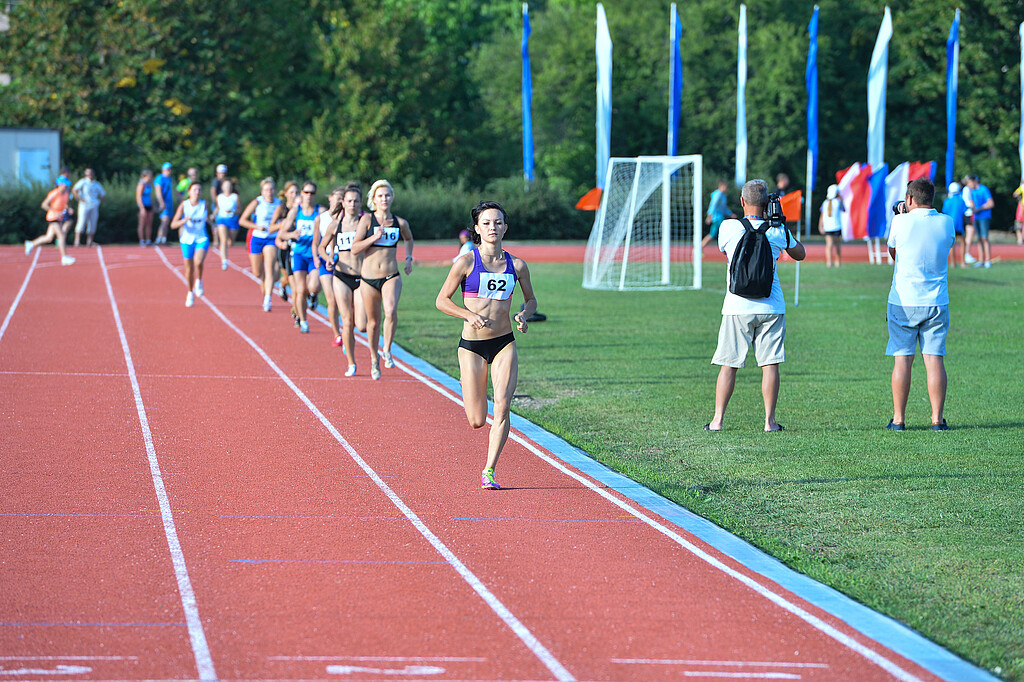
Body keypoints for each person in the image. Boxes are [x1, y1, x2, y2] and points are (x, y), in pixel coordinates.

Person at [435, 201, 538, 490]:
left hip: (504, 342)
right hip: (472, 345)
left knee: (503, 406)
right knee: (477, 420)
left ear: (505, 227)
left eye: (497, 222)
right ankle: (472, 394)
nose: (492, 227)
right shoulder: (467, 262)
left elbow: (531, 300)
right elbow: (441, 300)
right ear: (477, 229)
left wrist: (523, 314)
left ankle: (489, 470)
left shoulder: (517, 265)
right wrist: (468, 314)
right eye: (487, 223)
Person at [704, 179, 806, 432]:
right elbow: (800, 254)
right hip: (771, 306)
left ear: (742, 202)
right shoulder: (777, 229)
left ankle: (717, 420)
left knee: (729, 364)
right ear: (767, 204)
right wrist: (780, 223)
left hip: (737, 306)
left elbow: (723, 252)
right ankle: (769, 422)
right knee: (770, 364)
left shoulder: (728, 227)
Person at [885, 178, 955, 431]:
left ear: (910, 199)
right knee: (934, 359)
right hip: (936, 299)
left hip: (903, 300)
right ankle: (937, 418)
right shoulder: (947, 222)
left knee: (902, 360)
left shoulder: (899, 221)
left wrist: (901, 216)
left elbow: (894, 254)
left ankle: (899, 419)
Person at [352, 179, 414, 380]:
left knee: (391, 311)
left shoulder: (399, 222)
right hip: (368, 278)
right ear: (374, 199)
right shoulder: (367, 220)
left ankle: (387, 349)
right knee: (372, 322)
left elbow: (409, 238)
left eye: (387, 195)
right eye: (380, 196)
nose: (384, 199)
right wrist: (373, 237)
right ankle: (373, 358)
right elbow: (355, 248)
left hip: (391, 275)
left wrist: (409, 257)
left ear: (392, 198)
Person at [322, 183, 367, 372]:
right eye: (349, 201)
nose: (353, 204)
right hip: (341, 275)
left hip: (363, 277)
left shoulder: (366, 224)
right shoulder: (336, 225)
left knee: (362, 325)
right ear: (343, 203)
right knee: (347, 321)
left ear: (360, 203)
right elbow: (320, 247)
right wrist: (327, 259)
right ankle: (351, 362)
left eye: (356, 201)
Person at [276, 181, 325, 334]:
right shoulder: (295, 211)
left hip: (315, 255)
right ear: (301, 194)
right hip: (298, 254)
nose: (308, 196)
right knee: (300, 289)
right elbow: (282, 234)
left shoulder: (320, 211)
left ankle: (314, 296)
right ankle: (303, 320)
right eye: (306, 192)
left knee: (314, 286)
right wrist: (292, 234)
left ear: (315, 195)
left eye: (311, 193)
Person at [238, 177, 281, 312]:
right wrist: (256, 226)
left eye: (271, 189)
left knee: (269, 268)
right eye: (266, 190)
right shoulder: (257, 202)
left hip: (271, 239)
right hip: (256, 238)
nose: (269, 192)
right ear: (262, 191)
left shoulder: (279, 204)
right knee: (257, 272)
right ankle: (265, 289)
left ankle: (268, 299)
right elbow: (242, 221)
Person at [170, 182, 211, 307]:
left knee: (198, 262)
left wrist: (213, 225)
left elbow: (208, 218)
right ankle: (190, 292)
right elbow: (173, 225)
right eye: (194, 190)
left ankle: (199, 280)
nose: (197, 192)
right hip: (187, 240)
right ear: (189, 192)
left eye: (199, 189)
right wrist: (184, 220)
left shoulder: (205, 205)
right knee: (189, 269)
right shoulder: (184, 205)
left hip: (201, 238)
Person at [25, 176, 75, 265]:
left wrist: (69, 209)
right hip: (52, 217)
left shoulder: (66, 194)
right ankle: (64, 257)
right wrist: (55, 212)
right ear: (60, 185)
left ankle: (31, 244)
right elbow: (44, 204)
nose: (67, 187)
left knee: (48, 238)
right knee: (61, 236)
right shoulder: (54, 193)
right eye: (65, 185)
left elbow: (65, 204)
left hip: (59, 217)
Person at [274, 181, 300, 315]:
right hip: (285, 249)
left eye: (296, 192)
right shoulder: (282, 208)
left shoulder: (302, 210)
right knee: (290, 282)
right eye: (291, 192)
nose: (294, 195)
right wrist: (281, 226)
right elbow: (271, 228)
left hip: (299, 249)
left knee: (298, 286)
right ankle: (283, 285)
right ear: (286, 194)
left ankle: (297, 310)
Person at [963, 174, 994, 268]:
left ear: (974, 181)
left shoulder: (983, 189)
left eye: (969, 182)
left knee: (985, 238)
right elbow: (971, 202)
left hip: (984, 217)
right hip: (976, 217)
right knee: (979, 239)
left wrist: (979, 209)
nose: (968, 185)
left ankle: (988, 260)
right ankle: (981, 260)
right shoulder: (971, 191)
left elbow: (991, 203)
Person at [71, 168, 106, 247]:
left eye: (90, 173)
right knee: (81, 222)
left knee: (92, 223)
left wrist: (98, 202)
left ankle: (89, 241)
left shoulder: (96, 184)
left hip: (93, 205)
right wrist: (80, 199)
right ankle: (77, 241)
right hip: (84, 205)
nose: (89, 175)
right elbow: (74, 190)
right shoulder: (83, 182)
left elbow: (103, 194)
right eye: (87, 173)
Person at [701, 178, 735, 250]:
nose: (726, 188)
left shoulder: (723, 195)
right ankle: (699, 247)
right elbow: (713, 205)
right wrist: (709, 216)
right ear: (721, 186)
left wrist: (730, 214)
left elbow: (724, 208)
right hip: (717, 218)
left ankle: (699, 247)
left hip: (720, 217)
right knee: (723, 232)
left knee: (713, 234)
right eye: (725, 186)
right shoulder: (717, 194)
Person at [941, 182, 968, 267]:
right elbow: (965, 211)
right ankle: (963, 262)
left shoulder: (947, 201)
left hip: (950, 225)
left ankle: (953, 263)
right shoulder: (961, 200)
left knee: (952, 244)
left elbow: (944, 212)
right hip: (959, 224)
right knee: (962, 242)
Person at [214, 178, 239, 270]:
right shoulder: (219, 197)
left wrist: (233, 212)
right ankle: (224, 260)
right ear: (222, 187)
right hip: (221, 220)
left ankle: (225, 255)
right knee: (223, 240)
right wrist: (213, 215)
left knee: (230, 242)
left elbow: (239, 209)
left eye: (229, 186)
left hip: (232, 220)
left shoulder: (235, 197)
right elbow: (217, 208)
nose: (227, 187)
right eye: (226, 186)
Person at [818, 184, 843, 268]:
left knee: (829, 245)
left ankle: (829, 262)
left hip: (828, 226)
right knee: (837, 244)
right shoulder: (838, 202)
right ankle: (838, 262)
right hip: (837, 226)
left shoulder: (825, 203)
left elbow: (822, 215)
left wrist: (820, 226)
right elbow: (844, 209)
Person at [153, 162, 176, 245]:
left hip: (169, 203)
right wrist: (161, 202)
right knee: (164, 221)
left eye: (170, 169)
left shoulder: (170, 179)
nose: (169, 171)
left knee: (167, 221)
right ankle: (159, 238)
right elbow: (158, 192)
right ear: (163, 170)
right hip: (164, 203)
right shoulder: (160, 178)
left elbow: (173, 190)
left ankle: (164, 239)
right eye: (167, 170)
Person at [136, 169, 156, 246]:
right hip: (143, 206)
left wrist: (153, 205)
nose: (151, 177)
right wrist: (142, 208)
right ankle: (142, 240)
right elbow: (138, 197)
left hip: (149, 206)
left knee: (149, 223)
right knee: (142, 223)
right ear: (145, 176)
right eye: (150, 176)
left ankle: (148, 240)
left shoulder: (149, 184)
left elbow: (150, 196)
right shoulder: (141, 184)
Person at [1012, 180, 1024, 245]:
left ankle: (1020, 239)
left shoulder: (1022, 187)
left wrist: (1019, 197)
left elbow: (1015, 194)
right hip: (1021, 206)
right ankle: (1021, 238)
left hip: (1022, 206)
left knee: (1019, 222)